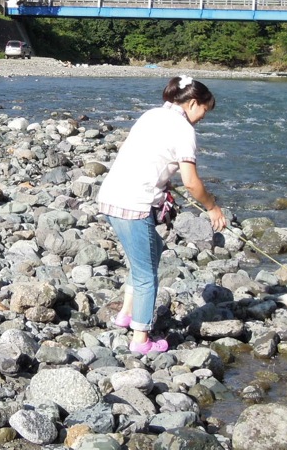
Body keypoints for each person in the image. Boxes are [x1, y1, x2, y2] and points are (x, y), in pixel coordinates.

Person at [97, 75, 227, 355]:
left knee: (152, 250)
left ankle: (126, 315)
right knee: (146, 275)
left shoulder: (152, 114)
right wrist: (212, 207)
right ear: (193, 103)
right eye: (204, 110)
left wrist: (163, 181)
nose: (203, 117)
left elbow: (145, 155)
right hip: (134, 205)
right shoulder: (184, 130)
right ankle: (141, 340)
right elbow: (192, 183)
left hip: (110, 198)